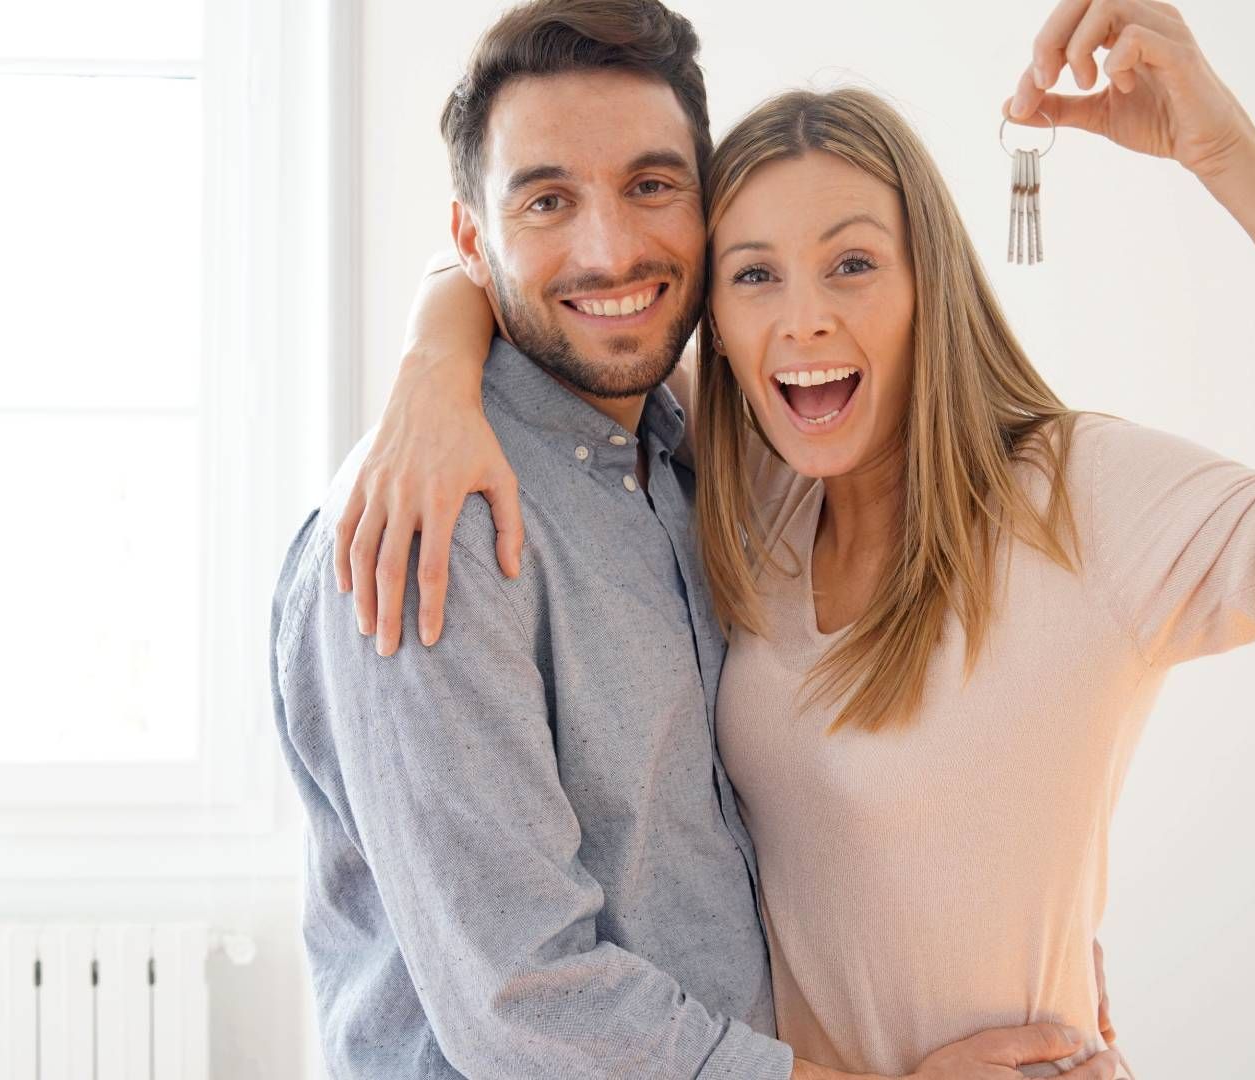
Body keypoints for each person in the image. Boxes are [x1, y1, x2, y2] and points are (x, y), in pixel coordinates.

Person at [339, 1, 1255, 1076]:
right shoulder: (747, 497)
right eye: (755, 277)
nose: (805, 320)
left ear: (929, 280)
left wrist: (1231, 158)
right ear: (718, 323)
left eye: (853, 262)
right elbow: (571, 280)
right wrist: (434, 363)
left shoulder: (1079, 496)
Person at [272, 1, 1126, 1077]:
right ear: (471, 239)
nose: (611, 247)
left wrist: (1022, 963)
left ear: (710, 212)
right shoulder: (427, 521)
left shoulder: (697, 455)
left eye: (651, 185)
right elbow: (528, 1005)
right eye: (546, 199)